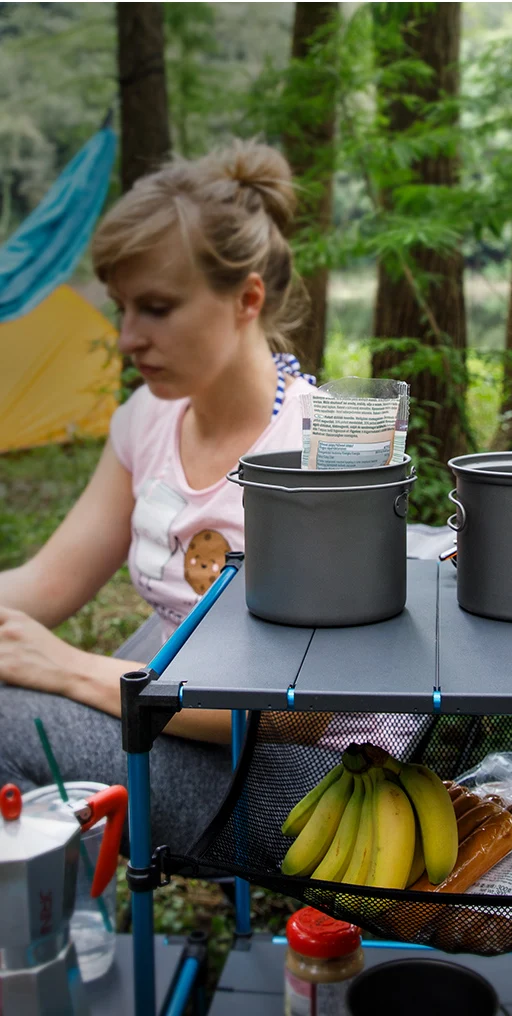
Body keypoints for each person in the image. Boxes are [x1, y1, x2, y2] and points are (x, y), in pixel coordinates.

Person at [0, 140, 320, 851]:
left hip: (299, 779)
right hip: (170, 713)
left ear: (246, 298)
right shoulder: (149, 417)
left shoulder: (314, 457)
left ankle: (45, 941)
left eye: (156, 308)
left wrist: (68, 668)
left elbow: (293, 710)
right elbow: (45, 583)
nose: (126, 338)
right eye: (122, 308)